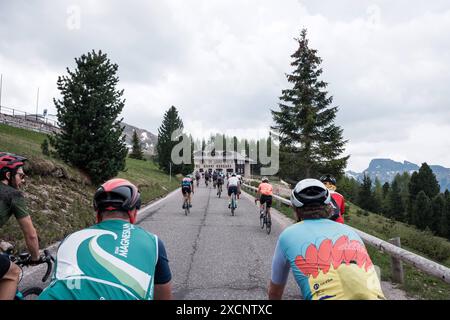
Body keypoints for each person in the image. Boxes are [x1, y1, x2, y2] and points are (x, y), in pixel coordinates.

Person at [39, 178, 173, 300]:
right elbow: (164, 296)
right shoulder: (153, 242)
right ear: (133, 212)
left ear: (98, 213)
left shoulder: (69, 239)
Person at [268, 178, 385, 300]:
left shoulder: (288, 235)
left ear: (295, 210)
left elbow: (274, 293)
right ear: (329, 206)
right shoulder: (351, 232)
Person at [0, 152, 42, 300]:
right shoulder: (13, 195)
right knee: (13, 273)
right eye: (21, 176)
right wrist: (36, 257)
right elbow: (30, 234)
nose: (23, 180)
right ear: (7, 175)